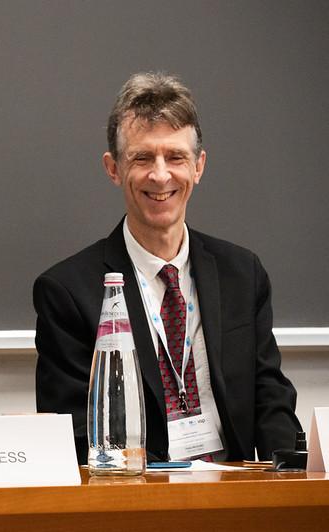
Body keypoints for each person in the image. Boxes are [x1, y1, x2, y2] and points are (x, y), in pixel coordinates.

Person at [34, 72, 300, 464]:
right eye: (142, 158)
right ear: (113, 168)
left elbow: (270, 395)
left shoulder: (242, 274)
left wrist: (292, 474)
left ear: (198, 166)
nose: (161, 175)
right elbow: (73, 435)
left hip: (234, 493)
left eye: (175, 157)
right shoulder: (69, 292)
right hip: (139, 501)